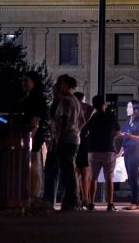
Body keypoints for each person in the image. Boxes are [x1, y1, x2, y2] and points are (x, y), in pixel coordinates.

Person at [52, 74, 84, 211]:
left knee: (67, 171)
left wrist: (60, 136)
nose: (59, 86)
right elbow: (82, 119)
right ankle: (73, 201)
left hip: (66, 139)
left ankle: (71, 202)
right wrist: (76, 130)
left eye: (61, 83)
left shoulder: (65, 101)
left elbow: (64, 119)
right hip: (74, 138)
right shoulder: (76, 100)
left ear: (66, 85)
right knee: (71, 170)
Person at [16, 71, 48, 201]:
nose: (23, 83)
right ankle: (31, 194)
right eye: (22, 80)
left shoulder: (37, 98)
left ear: (34, 82)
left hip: (31, 136)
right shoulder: (28, 97)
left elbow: (35, 120)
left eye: (26, 80)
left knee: (32, 165)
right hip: (28, 135)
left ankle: (34, 195)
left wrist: (29, 136)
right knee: (30, 165)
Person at [87, 95, 120, 211]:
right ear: (103, 104)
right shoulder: (110, 116)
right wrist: (111, 137)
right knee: (109, 178)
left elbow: (86, 130)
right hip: (108, 150)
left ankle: (91, 203)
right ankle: (110, 204)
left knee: (93, 178)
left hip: (93, 150)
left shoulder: (93, 117)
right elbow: (118, 131)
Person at [122, 99, 139, 210]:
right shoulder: (127, 122)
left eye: (130, 107)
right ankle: (134, 201)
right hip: (127, 150)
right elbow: (124, 139)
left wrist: (130, 136)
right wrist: (119, 152)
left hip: (135, 151)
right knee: (130, 177)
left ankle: (135, 202)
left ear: (136, 109)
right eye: (127, 107)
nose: (128, 109)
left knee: (133, 176)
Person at [73, 91, 95, 210]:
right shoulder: (84, 109)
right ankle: (85, 198)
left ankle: (77, 197)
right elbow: (91, 108)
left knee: (76, 172)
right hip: (83, 141)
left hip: (73, 141)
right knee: (85, 173)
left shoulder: (72, 109)